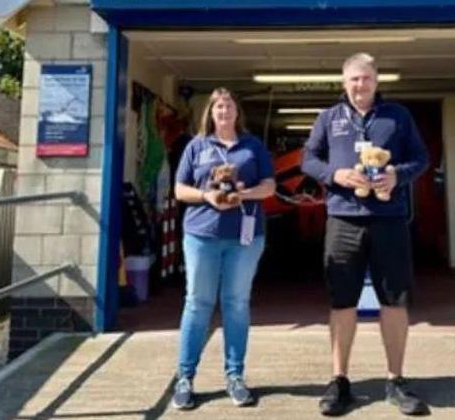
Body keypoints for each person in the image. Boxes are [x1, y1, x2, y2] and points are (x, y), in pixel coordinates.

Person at [302, 53, 429, 416]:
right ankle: (339, 380)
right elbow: (308, 159)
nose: (361, 85)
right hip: (343, 220)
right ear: (344, 83)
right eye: (354, 79)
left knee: (394, 301)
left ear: (377, 81)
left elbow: (421, 158)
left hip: (390, 220)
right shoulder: (329, 118)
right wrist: (334, 176)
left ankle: (396, 380)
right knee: (343, 301)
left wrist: (397, 176)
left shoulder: (398, 117)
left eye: (367, 78)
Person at [171, 87, 276, 409]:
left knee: (236, 304)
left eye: (229, 105)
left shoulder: (253, 146)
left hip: (245, 237)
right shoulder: (196, 146)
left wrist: (242, 195)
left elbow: (270, 186)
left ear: (237, 113)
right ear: (210, 113)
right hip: (202, 235)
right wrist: (207, 196)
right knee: (197, 303)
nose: (224, 111)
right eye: (218, 106)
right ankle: (185, 378)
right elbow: (179, 189)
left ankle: (235, 376)